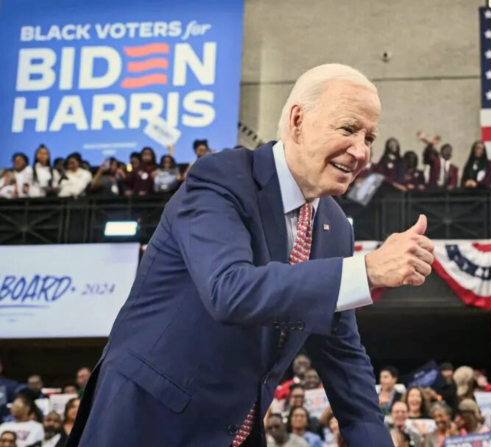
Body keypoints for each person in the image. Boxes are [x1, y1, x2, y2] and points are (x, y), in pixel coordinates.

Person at [65, 64, 434, 447]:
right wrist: (367, 271)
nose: (361, 151)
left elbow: (344, 358)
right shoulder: (220, 177)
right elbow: (230, 291)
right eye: (347, 129)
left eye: (369, 137)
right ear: (297, 120)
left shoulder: (335, 226)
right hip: (144, 424)